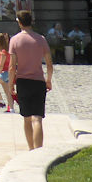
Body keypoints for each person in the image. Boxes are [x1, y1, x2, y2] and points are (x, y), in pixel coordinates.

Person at [9, 9, 54, 150]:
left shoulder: (14, 40)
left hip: (23, 82)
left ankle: (31, 149)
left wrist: (11, 84)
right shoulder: (41, 39)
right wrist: (49, 79)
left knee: (27, 118)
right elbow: (49, 63)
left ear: (19, 22)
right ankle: (38, 152)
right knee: (37, 119)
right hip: (38, 82)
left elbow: (12, 67)